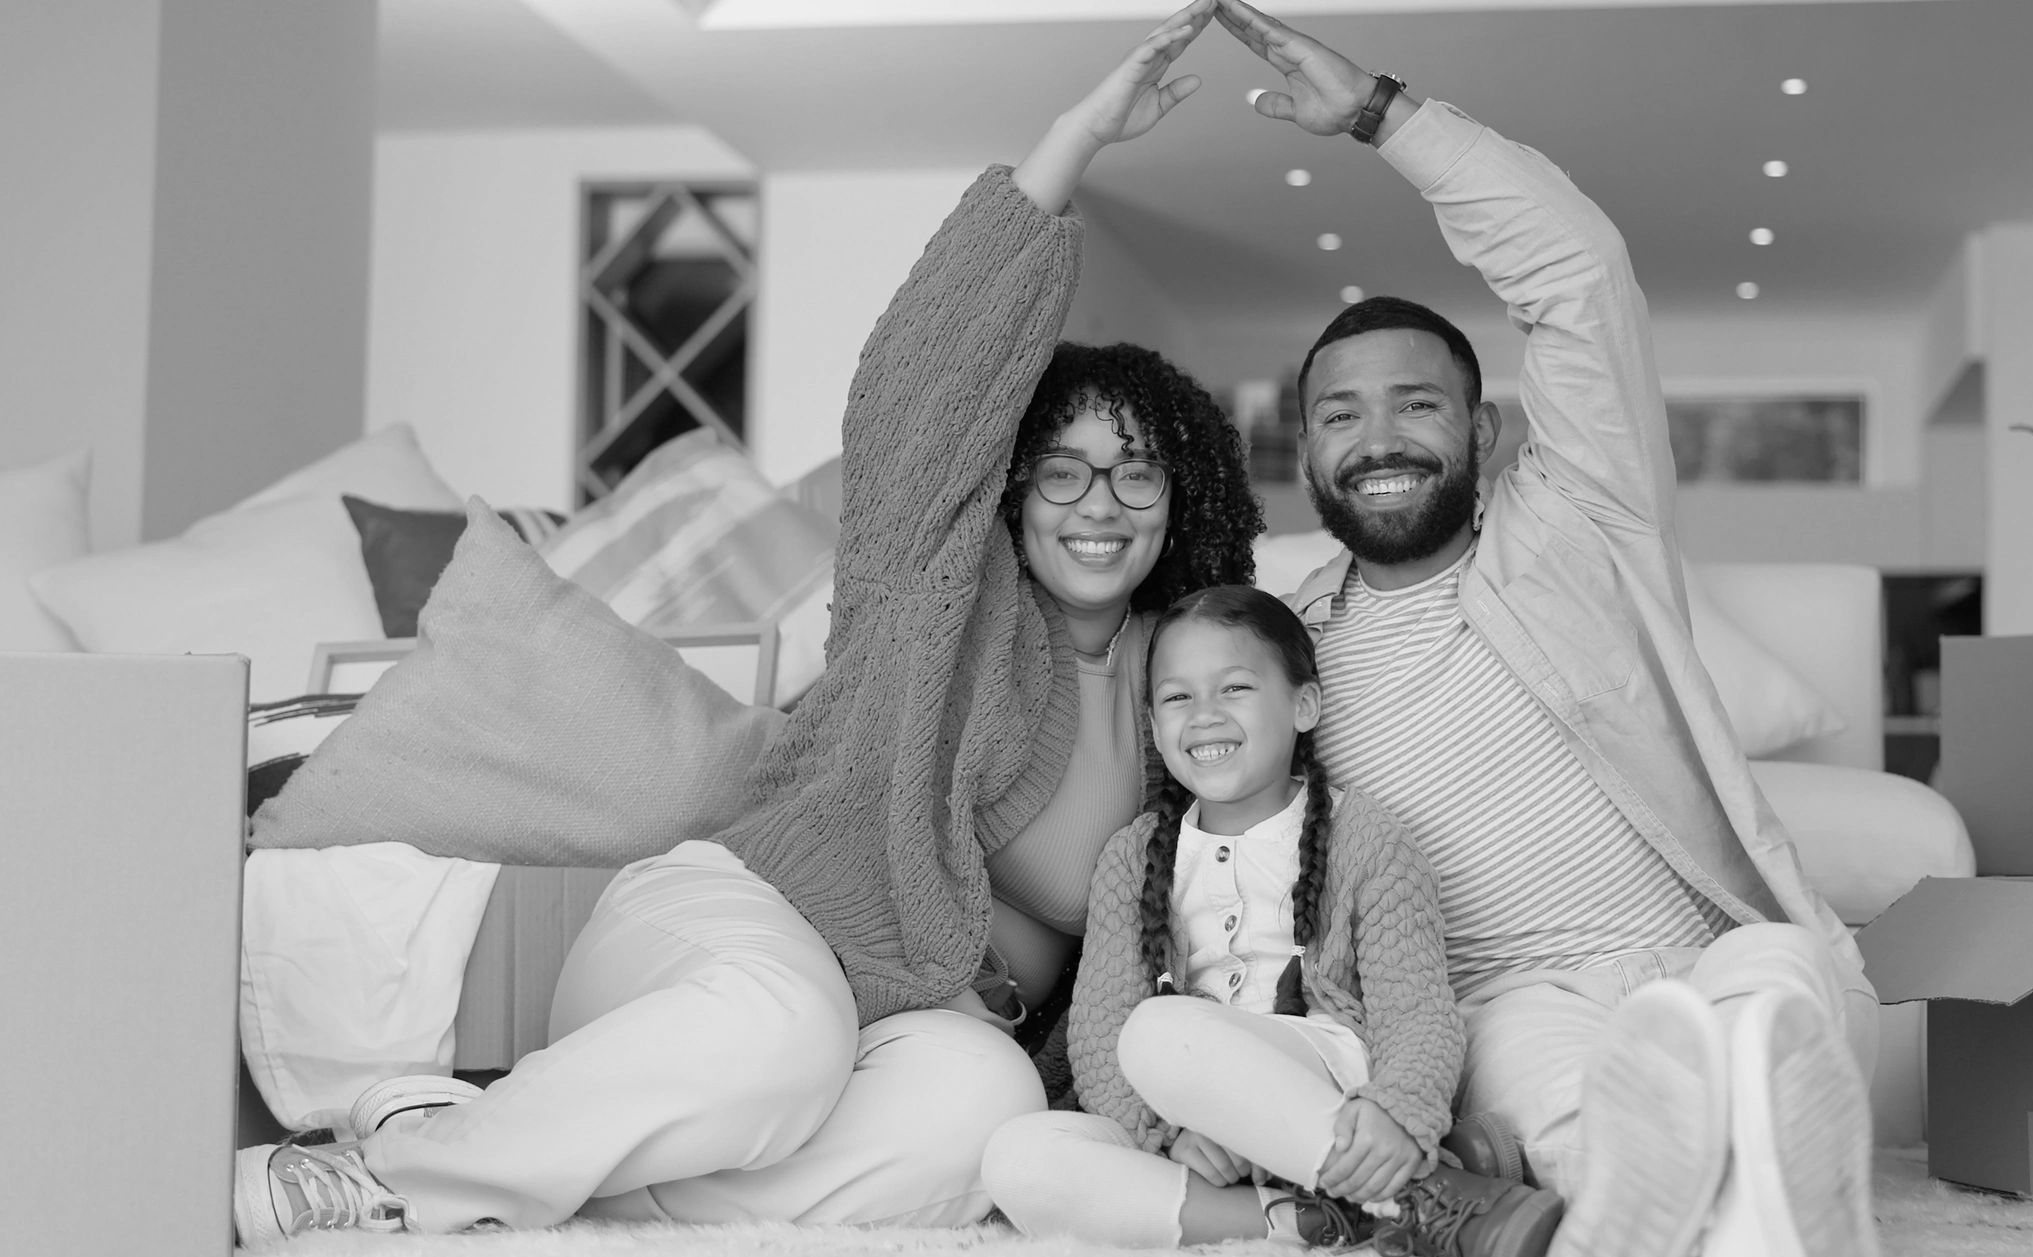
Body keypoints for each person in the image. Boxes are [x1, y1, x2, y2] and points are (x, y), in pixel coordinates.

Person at [232, 4, 1265, 1243]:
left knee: (985, 1119)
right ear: (1010, 490)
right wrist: (1072, 143)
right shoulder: (942, 596)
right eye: (1062, 471)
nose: (1098, 504)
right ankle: (383, 1184)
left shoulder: (1188, 679)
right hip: (738, 932)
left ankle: (517, 1162)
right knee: (782, 1035)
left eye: (1137, 473)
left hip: (913, 1033)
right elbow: (916, 390)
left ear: (1181, 498)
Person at [1210, 4, 1880, 1256]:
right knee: (1575, 1129)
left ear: (1485, 433)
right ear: (1305, 456)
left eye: (1417, 405)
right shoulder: (1283, 657)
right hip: (1512, 1001)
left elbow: (1577, 275)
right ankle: (1760, 1203)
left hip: (1707, 945)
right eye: (1340, 416)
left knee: (1776, 991)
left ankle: (1748, 1142)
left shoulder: (1579, 521)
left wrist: (1380, 115)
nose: (1378, 439)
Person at [982, 585, 1562, 1256]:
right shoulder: (1133, 857)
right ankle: (1325, 1218)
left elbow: (1416, 1010)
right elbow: (1099, 1030)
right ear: (1154, 725)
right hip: (1188, 1109)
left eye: (1234, 688)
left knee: (1158, 1030)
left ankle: (1420, 1190)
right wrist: (1168, 1136)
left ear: (1303, 705)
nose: (1205, 715)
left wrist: (1401, 1113)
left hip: (1323, 1084)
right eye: (1177, 697)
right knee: (1018, 1157)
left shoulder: (1367, 839)